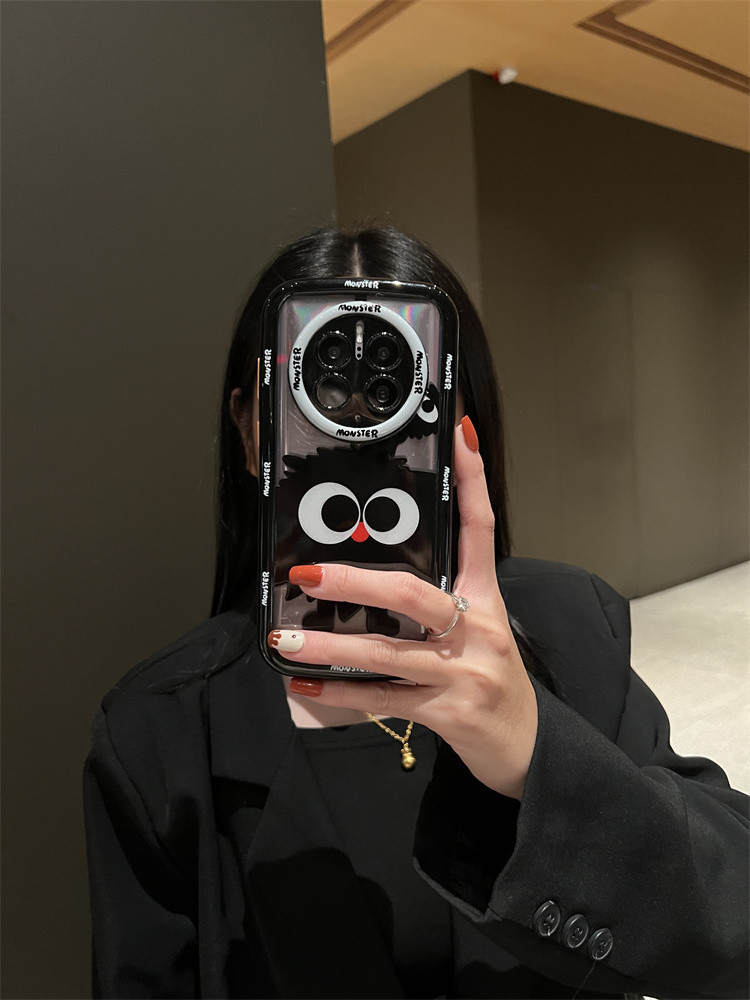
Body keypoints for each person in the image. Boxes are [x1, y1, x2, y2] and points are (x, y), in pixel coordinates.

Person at [83, 227, 749, 1000]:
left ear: (464, 421)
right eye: (316, 399)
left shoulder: (575, 624)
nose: (361, 439)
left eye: (401, 399)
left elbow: (733, 919)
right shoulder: (156, 731)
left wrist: (540, 756)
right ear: (247, 427)